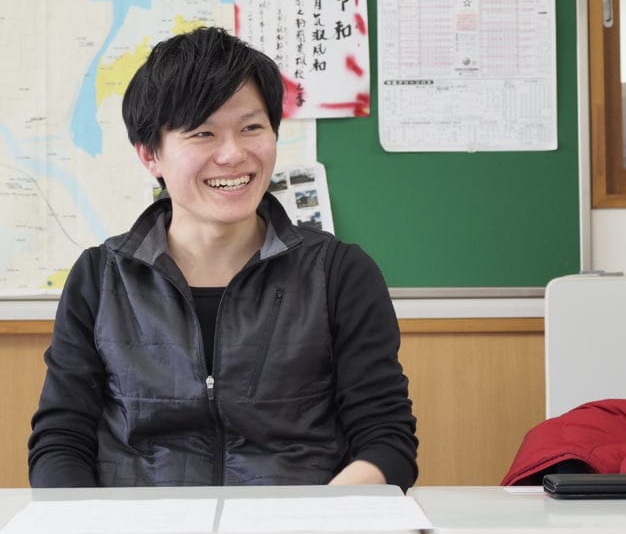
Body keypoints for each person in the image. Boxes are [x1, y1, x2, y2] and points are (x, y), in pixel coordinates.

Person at [27, 27, 418, 489]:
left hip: (298, 519)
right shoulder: (101, 278)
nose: (233, 154)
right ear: (150, 155)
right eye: (203, 133)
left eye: (252, 127)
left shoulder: (338, 274)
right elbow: (60, 441)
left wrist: (318, 516)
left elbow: (386, 440)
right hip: (142, 521)